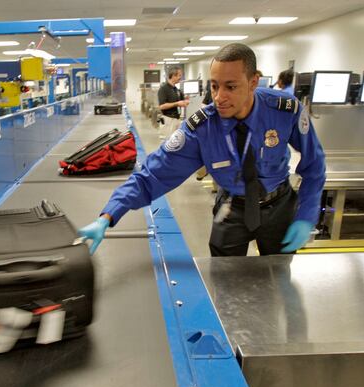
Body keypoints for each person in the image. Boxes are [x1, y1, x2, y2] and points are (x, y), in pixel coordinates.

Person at [79, 43, 325, 257]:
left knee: (279, 278)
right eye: (215, 86)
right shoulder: (202, 128)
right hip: (232, 208)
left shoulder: (284, 110)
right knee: (225, 283)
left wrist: (306, 213)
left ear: (253, 83)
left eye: (230, 87)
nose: (219, 97)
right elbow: (153, 175)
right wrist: (108, 216)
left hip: (279, 206)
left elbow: (314, 164)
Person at [157, 66, 190, 138]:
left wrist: (185, 101)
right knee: (167, 143)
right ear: (173, 75)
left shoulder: (176, 89)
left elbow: (181, 101)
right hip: (168, 120)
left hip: (177, 119)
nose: (180, 77)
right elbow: (162, 106)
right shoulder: (163, 89)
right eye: (179, 75)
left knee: (176, 142)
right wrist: (177, 103)